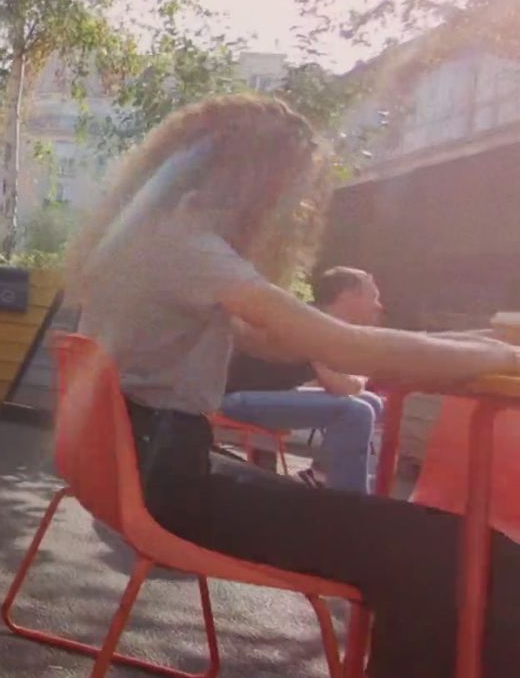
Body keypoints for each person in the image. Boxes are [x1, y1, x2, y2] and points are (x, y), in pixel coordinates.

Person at [66, 94, 520, 677]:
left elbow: (278, 339)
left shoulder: (147, 234)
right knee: (462, 556)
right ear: (256, 182)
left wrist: (465, 343)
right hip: (167, 481)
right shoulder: (191, 247)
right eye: (292, 191)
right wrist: (496, 352)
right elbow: (339, 347)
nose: (293, 209)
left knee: (426, 546)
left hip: (141, 462)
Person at [221, 266, 385, 492]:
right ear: (348, 296)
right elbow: (342, 385)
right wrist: (361, 374)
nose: (378, 305)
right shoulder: (313, 325)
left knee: (372, 402)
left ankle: (320, 475)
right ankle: (352, 504)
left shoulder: (324, 323)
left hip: (265, 394)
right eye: (373, 296)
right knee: (357, 412)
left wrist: (358, 376)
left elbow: (347, 382)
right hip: (232, 400)